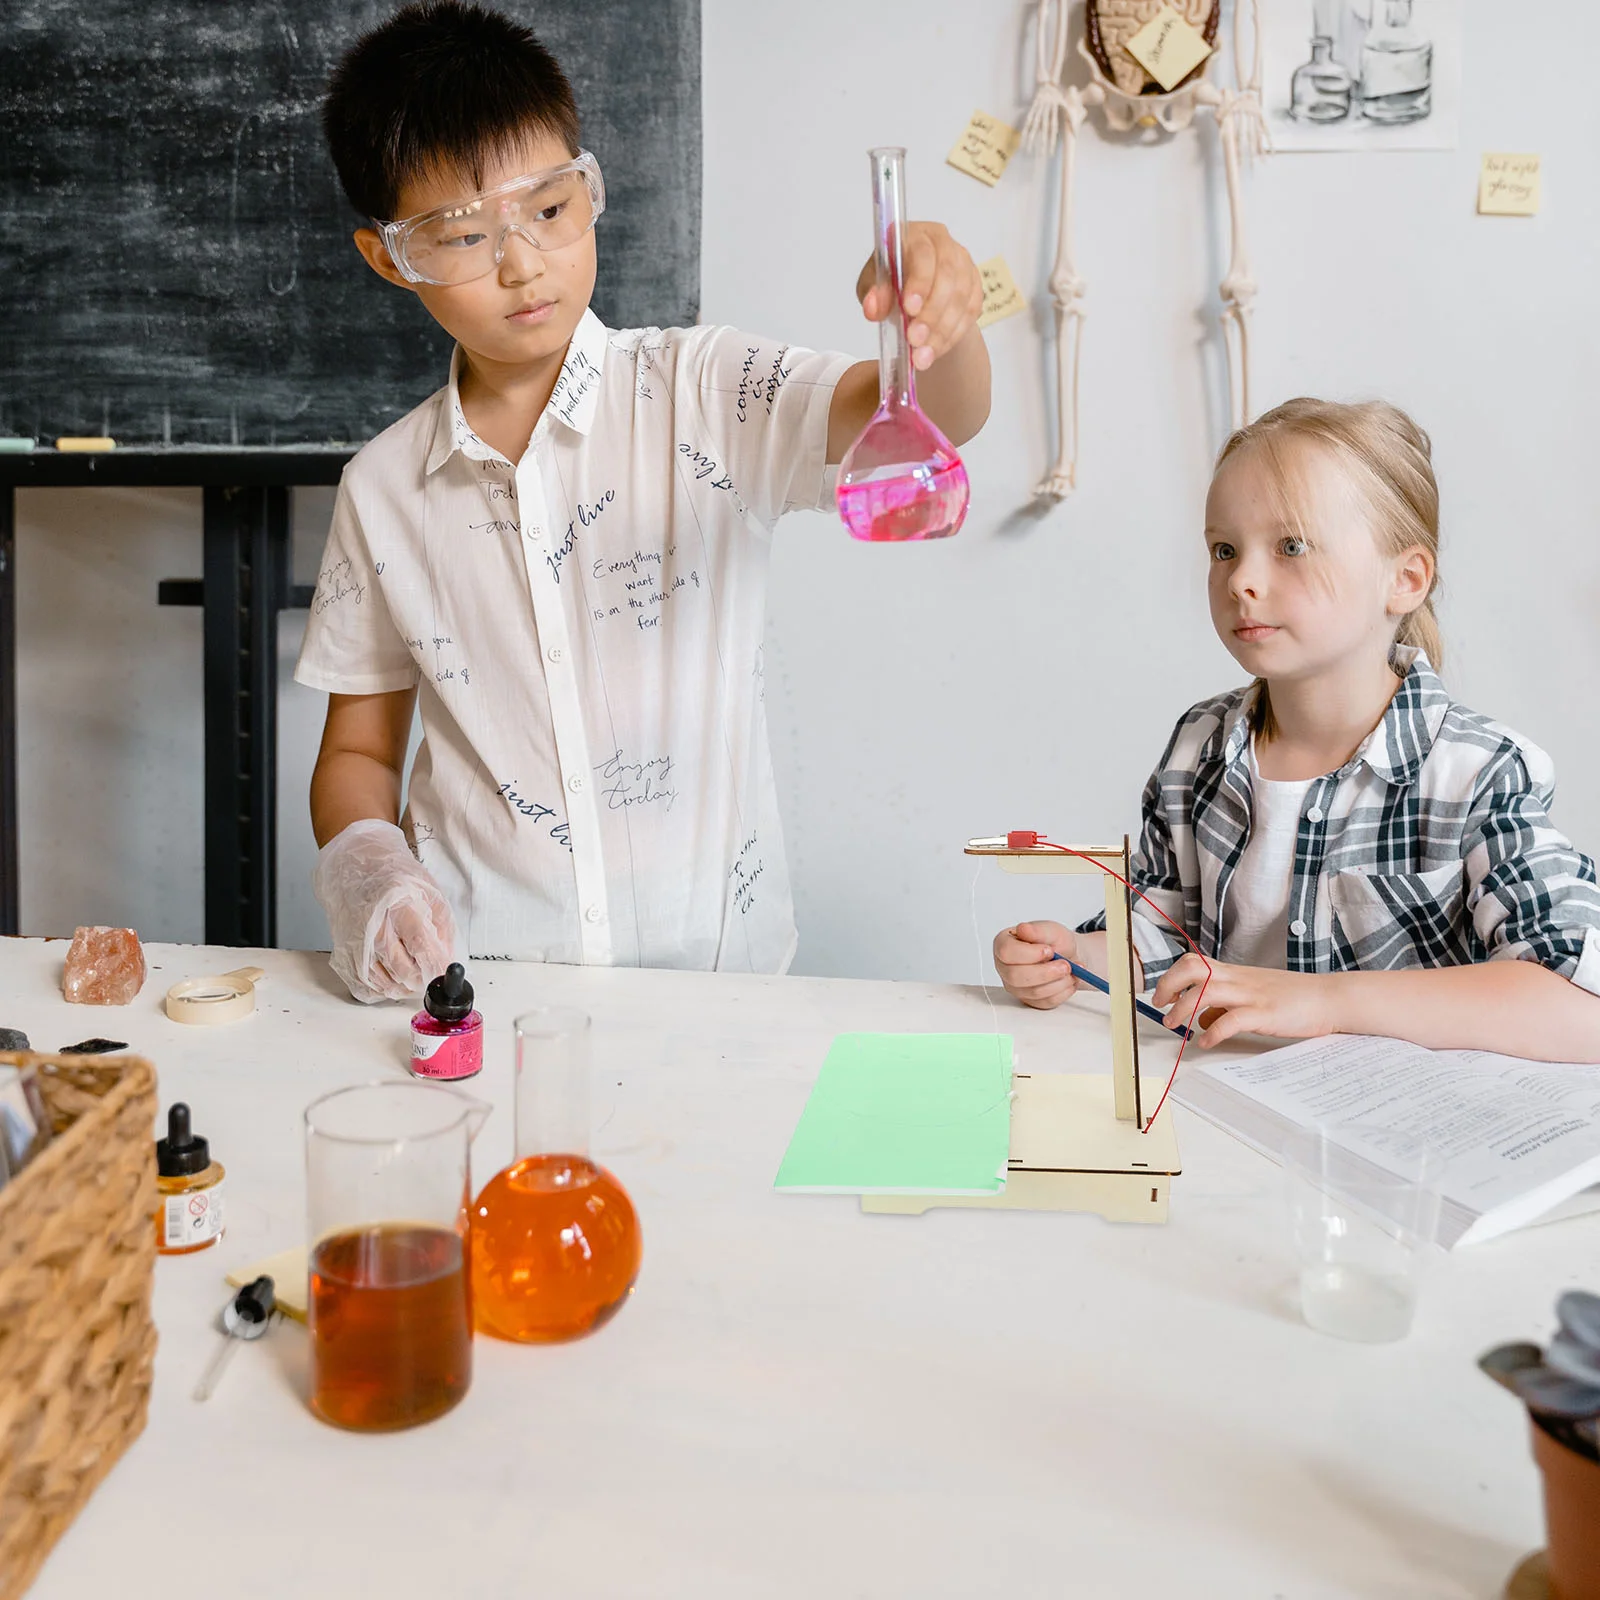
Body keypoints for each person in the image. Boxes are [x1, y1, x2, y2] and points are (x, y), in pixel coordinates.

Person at [299, 2, 990, 1001]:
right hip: (484, 988)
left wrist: (938, 318)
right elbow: (358, 750)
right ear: (388, 256)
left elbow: (933, 417)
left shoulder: (707, 392)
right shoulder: (383, 488)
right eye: (459, 233)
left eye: (548, 208)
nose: (520, 263)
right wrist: (375, 874)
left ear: (589, 187)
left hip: (718, 990)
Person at [994, 398, 1600, 1063]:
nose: (1243, 581)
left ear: (1404, 579)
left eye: (1291, 546)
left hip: (1403, 1147)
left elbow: (1582, 1004)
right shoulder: (1198, 748)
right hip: (1228, 1127)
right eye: (1224, 549)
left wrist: (1321, 1001)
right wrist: (1073, 957)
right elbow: (1158, 940)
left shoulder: (1479, 769)